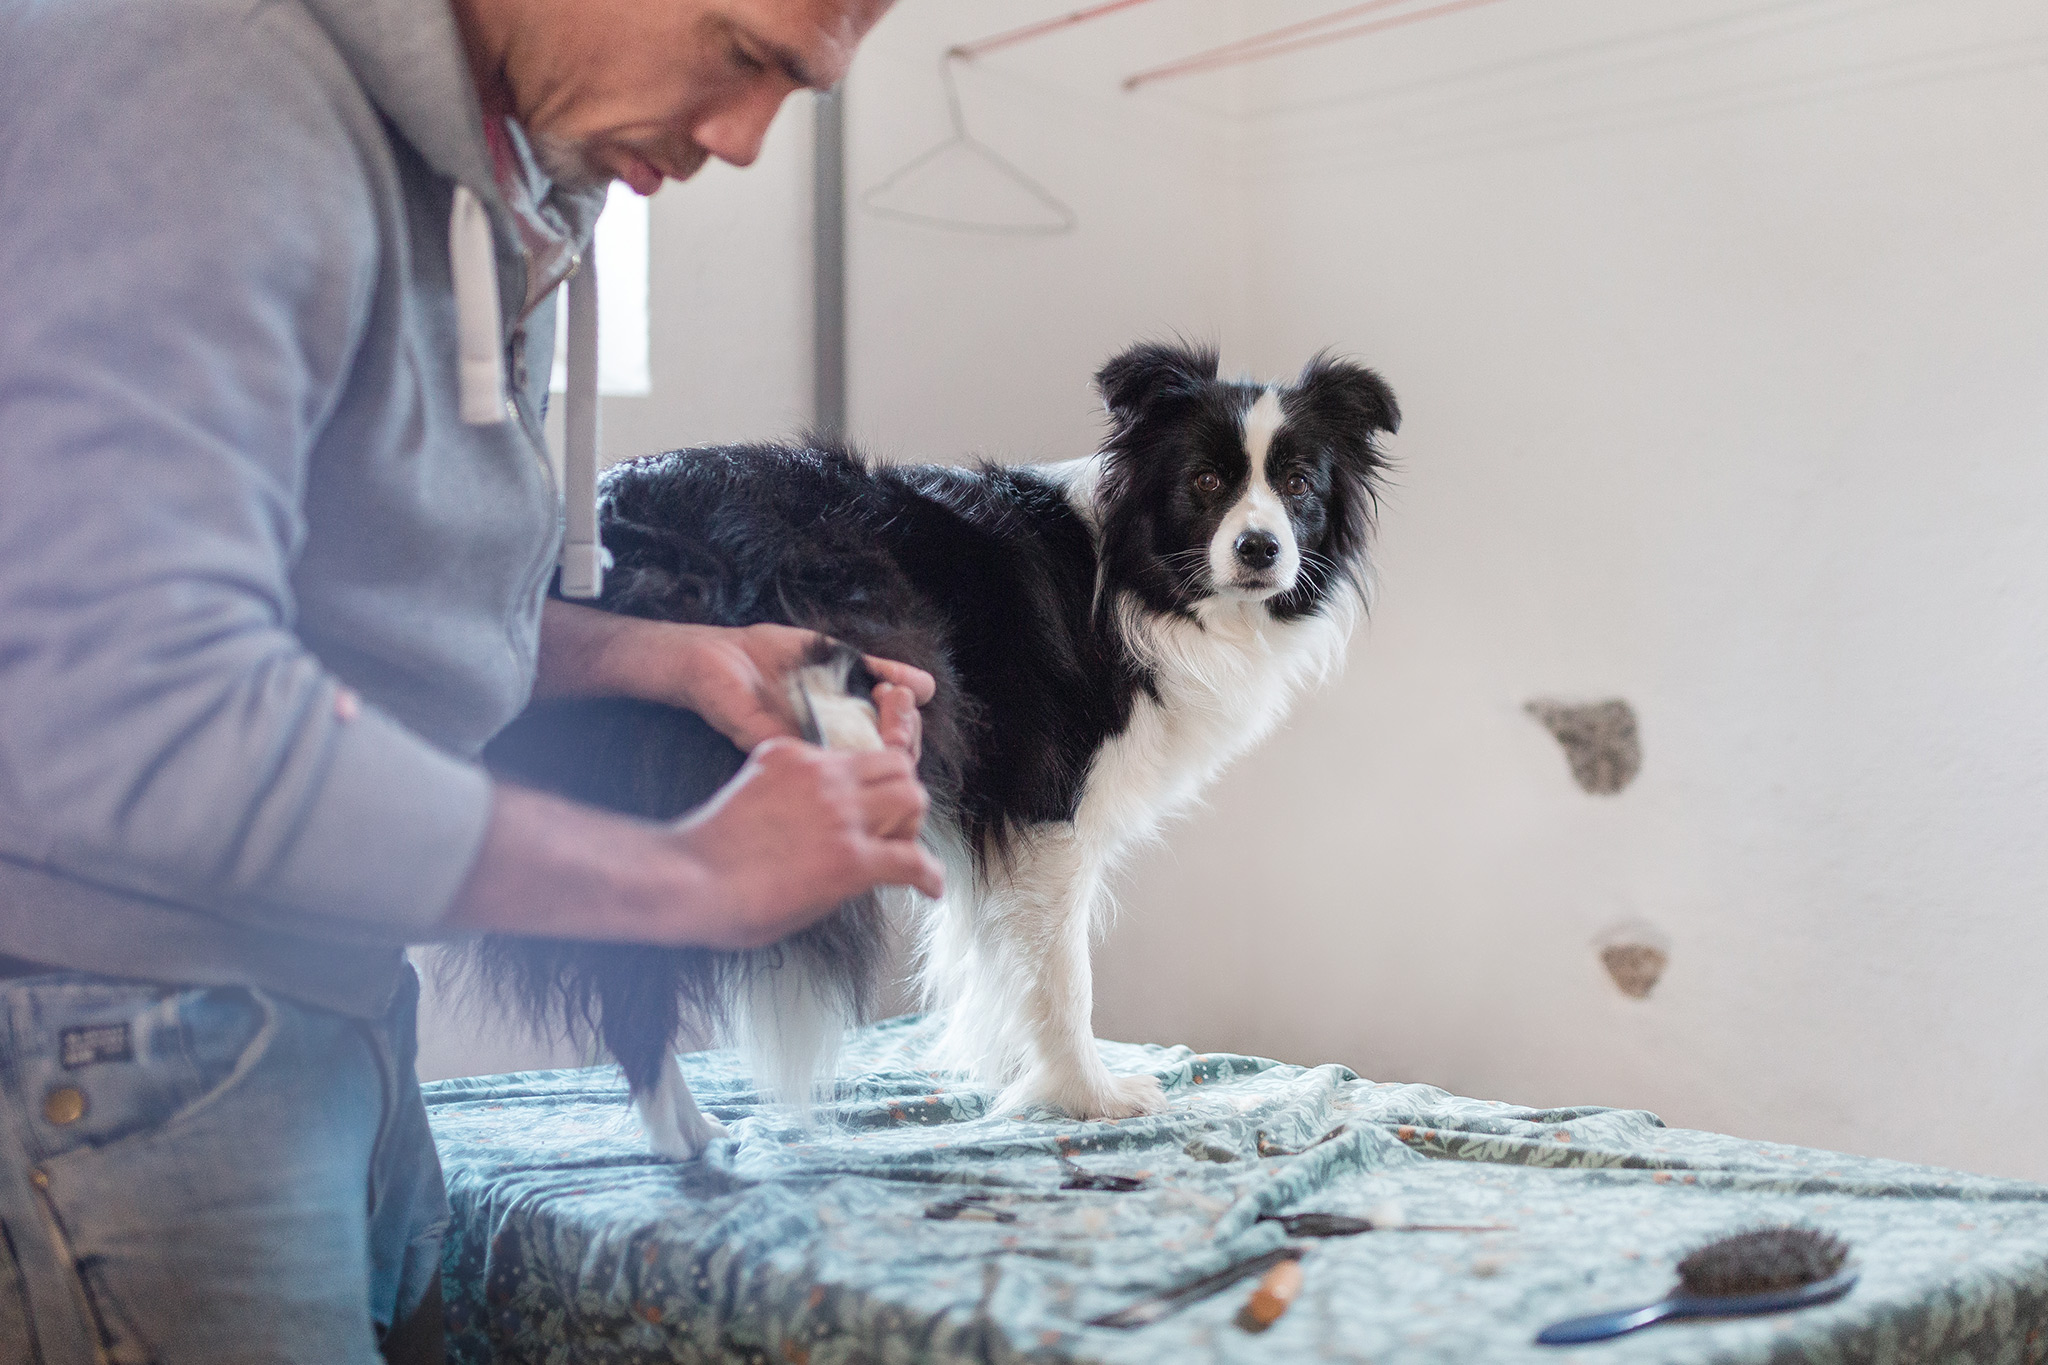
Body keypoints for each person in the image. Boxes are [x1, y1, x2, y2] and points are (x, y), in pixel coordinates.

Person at [0, 0, 931, 1359]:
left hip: (326, 980)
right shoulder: (201, 77)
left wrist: (670, 661)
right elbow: (133, 697)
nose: (743, 139)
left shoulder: (500, 157)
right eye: (741, 53)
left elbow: (322, 602)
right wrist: (693, 880)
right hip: (128, 1008)